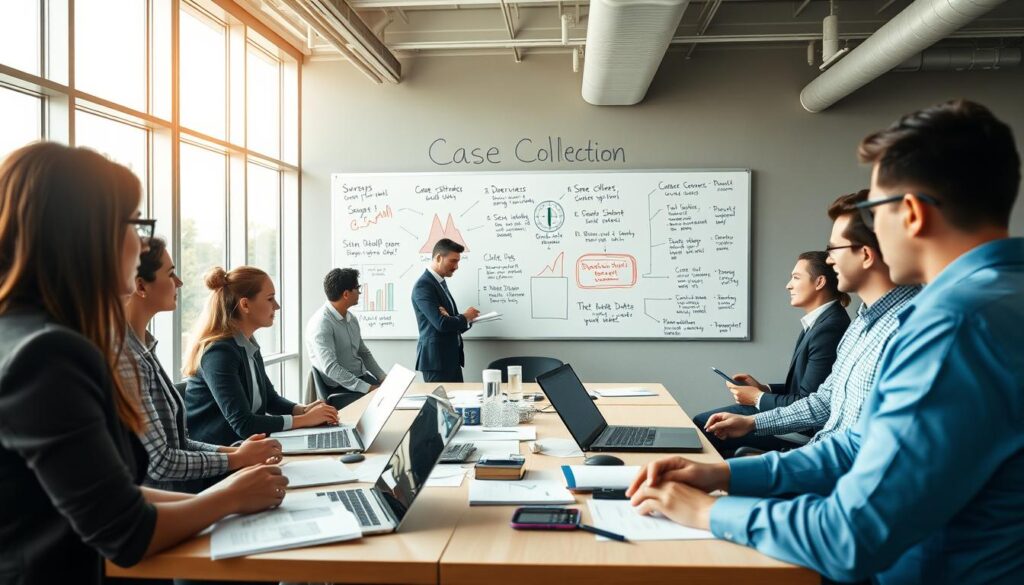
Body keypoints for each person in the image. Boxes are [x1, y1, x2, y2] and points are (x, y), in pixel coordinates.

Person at [627, 100, 1024, 584]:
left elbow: (850, 538)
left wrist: (705, 511)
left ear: (912, 214)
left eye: (875, 211)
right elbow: (859, 443)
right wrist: (726, 474)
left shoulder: (952, 328)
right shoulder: (998, 299)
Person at [0, 143, 287, 584]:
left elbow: (115, 498)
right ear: (89, 234)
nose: (141, 242)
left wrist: (232, 493)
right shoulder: (48, 355)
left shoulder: (27, 335)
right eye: (135, 224)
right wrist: (229, 497)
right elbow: (126, 530)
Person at [703, 190, 919, 448]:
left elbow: (860, 450)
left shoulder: (909, 328)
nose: (829, 259)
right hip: (820, 455)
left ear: (865, 254)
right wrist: (753, 423)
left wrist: (750, 461)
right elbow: (824, 402)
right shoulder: (860, 325)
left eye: (833, 249)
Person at [126, 237, 283, 492]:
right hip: (176, 498)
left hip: (186, 491)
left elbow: (181, 444)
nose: (179, 282)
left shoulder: (146, 348)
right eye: (171, 273)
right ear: (141, 286)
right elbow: (162, 463)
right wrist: (236, 459)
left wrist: (239, 454)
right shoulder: (128, 358)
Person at [692, 251, 850, 455]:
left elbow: (810, 402)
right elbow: (810, 388)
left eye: (796, 277)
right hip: (791, 418)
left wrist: (757, 398)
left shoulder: (830, 328)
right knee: (705, 425)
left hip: (801, 431)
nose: (788, 285)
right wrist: (763, 388)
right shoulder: (820, 322)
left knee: (704, 426)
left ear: (819, 282)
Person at [184, 266, 339, 450]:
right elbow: (244, 425)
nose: (277, 306)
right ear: (245, 305)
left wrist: (303, 410)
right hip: (222, 456)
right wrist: (304, 420)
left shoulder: (247, 343)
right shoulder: (219, 353)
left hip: (246, 447)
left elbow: (271, 400)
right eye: (270, 298)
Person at [305, 268, 387, 406]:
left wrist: (383, 377)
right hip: (341, 388)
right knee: (385, 401)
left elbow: (363, 353)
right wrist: (367, 388)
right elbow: (331, 369)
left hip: (360, 378)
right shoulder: (321, 324)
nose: (360, 292)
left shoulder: (351, 319)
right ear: (346, 294)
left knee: (393, 393)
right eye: (357, 288)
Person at [411, 238, 480, 382]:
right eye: (453, 261)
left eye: (458, 261)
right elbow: (442, 324)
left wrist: (465, 319)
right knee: (441, 398)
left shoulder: (440, 283)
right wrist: (465, 317)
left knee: (457, 397)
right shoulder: (424, 286)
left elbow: (450, 322)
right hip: (436, 362)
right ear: (438, 258)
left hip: (451, 359)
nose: (456, 267)